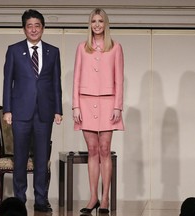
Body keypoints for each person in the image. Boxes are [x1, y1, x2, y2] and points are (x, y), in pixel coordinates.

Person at [2, 9, 63, 213]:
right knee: (19, 158)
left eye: (37, 25)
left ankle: (40, 199)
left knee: (41, 158)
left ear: (43, 28)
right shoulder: (13, 50)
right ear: (24, 28)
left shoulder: (53, 51)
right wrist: (7, 109)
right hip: (20, 112)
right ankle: (19, 199)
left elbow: (56, 82)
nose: (34, 29)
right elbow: (7, 82)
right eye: (30, 26)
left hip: (45, 112)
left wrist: (58, 110)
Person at [72, 8, 124, 214]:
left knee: (104, 150)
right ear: (89, 24)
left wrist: (118, 106)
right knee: (92, 150)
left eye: (100, 21)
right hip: (85, 102)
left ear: (106, 23)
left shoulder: (115, 48)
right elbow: (75, 78)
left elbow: (118, 79)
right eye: (93, 21)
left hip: (108, 103)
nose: (97, 24)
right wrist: (75, 105)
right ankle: (92, 197)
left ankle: (105, 198)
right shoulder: (82, 48)